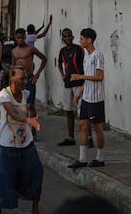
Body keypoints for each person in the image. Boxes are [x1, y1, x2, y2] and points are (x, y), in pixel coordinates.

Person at [0, 66, 43, 214]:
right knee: (5, 179)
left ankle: (36, 209)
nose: (25, 81)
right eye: (21, 78)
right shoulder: (4, 94)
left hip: (26, 143)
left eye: (26, 78)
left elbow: (29, 108)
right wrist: (29, 120)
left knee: (36, 173)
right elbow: (13, 114)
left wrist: (33, 117)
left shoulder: (26, 93)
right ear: (12, 79)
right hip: (7, 145)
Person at [68, 28, 106, 168]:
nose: (80, 41)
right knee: (83, 125)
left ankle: (100, 158)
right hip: (87, 97)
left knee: (97, 128)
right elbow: (89, 78)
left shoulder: (98, 55)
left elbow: (99, 76)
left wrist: (80, 77)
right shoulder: (86, 56)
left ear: (89, 40)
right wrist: (79, 94)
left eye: (82, 38)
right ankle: (82, 158)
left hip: (96, 98)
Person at [12, 28, 47, 141]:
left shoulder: (30, 49)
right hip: (18, 81)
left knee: (30, 105)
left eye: (22, 37)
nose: (20, 39)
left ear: (25, 37)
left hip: (29, 79)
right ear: (15, 38)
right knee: (19, 106)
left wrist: (37, 74)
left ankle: (34, 129)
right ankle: (21, 131)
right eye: (18, 38)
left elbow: (44, 59)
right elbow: (13, 66)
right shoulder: (14, 51)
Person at [57, 28, 84, 146]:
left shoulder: (78, 49)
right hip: (67, 84)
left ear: (72, 37)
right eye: (65, 36)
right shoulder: (62, 51)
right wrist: (63, 75)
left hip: (78, 83)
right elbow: (59, 63)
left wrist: (83, 78)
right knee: (69, 111)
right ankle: (70, 137)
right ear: (62, 38)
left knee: (82, 112)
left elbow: (84, 63)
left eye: (69, 36)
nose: (67, 38)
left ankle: (87, 138)